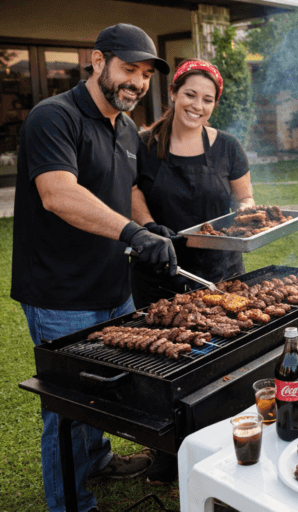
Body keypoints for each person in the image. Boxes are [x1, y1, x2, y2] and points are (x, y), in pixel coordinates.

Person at [11, 23, 175, 512]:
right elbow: (58, 194)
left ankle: (98, 460)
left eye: (146, 74)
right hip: (59, 292)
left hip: (111, 285)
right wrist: (130, 234)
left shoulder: (126, 128)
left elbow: (125, 192)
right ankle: (71, 503)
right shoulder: (53, 117)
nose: (138, 83)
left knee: (104, 391)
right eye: (129, 69)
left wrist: (148, 226)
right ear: (98, 61)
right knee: (68, 406)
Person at [130, 60, 255, 484]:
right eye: (190, 95)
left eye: (207, 99)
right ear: (174, 94)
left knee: (221, 359)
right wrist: (147, 228)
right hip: (159, 270)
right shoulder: (143, 142)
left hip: (221, 271)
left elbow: (245, 200)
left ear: (214, 104)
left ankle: (218, 442)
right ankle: (166, 451)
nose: (197, 106)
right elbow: (131, 190)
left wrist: (249, 221)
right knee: (163, 366)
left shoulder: (228, 147)